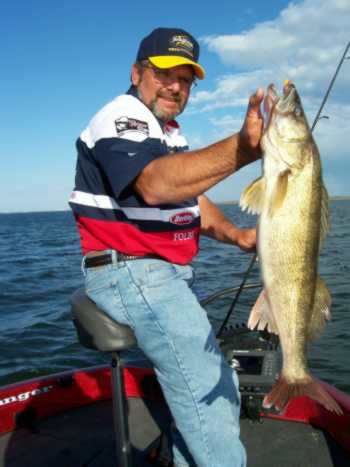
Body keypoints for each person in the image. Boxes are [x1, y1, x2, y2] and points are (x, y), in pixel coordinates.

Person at [69, 27, 264, 467]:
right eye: (164, 74)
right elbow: (157, 186)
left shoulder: (168, 133)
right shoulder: (122, 116)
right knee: (207, 398)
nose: (176, 86)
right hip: (132, 271)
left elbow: (188, 200)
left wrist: (238, 236)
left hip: (163, 275)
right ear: (137, 72)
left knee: (218, 382)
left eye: (186, 79)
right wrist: (242, 149)